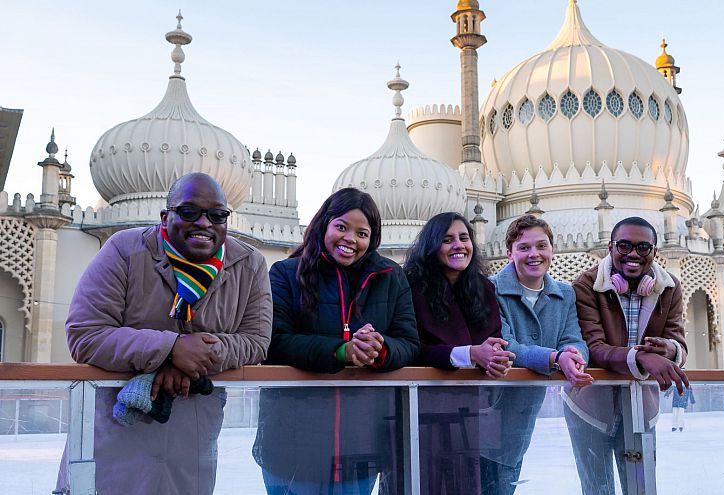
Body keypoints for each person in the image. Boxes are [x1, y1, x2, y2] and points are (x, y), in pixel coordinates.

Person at [55, 173, 273, 494]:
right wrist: (170, 348)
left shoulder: (248, 264)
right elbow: (85, 335)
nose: (204, 223)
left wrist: (190, 357)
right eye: (188, 213)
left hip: (193, 434)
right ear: (165, 216)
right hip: (117, 431)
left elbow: (256, 341)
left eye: (217, 215)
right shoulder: (126, 250)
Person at [252, 187, 419, 495]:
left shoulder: (390, 277)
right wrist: (341, 351)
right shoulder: (287, 274)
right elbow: (273, 343)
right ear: (324, 225)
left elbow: (409, 342)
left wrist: (380, 349)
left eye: (362, 233)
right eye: (341, 227)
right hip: (294, 442)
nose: (350, 240)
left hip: (362, 442)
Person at [568, 216, 689, 495]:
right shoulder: (587, 285)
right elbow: (593, 348)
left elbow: (678, 341)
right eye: (624, 246)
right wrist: (641, 358)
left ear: (654, 253)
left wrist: (668, 350)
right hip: (589, 408)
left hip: (640, 407)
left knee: (642, 488)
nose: (633, 254)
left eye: (643, 247)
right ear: (610, 247)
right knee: (598, 490)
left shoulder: (669, 287)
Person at [403, 212, 514, 494]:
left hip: (471, 411)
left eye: (464, 238)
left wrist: (497, 357)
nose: (458, 245)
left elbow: (493, 339)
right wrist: (469, 354)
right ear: (432, 246)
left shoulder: (482, 288)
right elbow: (411, 348)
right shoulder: (410, 286)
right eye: (447, 239)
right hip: (420, 410)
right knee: (422, 482)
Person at [484, 214, 592, 495]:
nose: (534, 254)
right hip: (486, 411)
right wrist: (556, 359)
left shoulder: (564, 294)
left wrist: (574, 354)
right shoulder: (490, 289)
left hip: (523, 415)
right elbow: (506, 345)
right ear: (509, 253)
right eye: (524, 248)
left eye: (541, 246)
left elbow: (574, 338)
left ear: (552, 250)